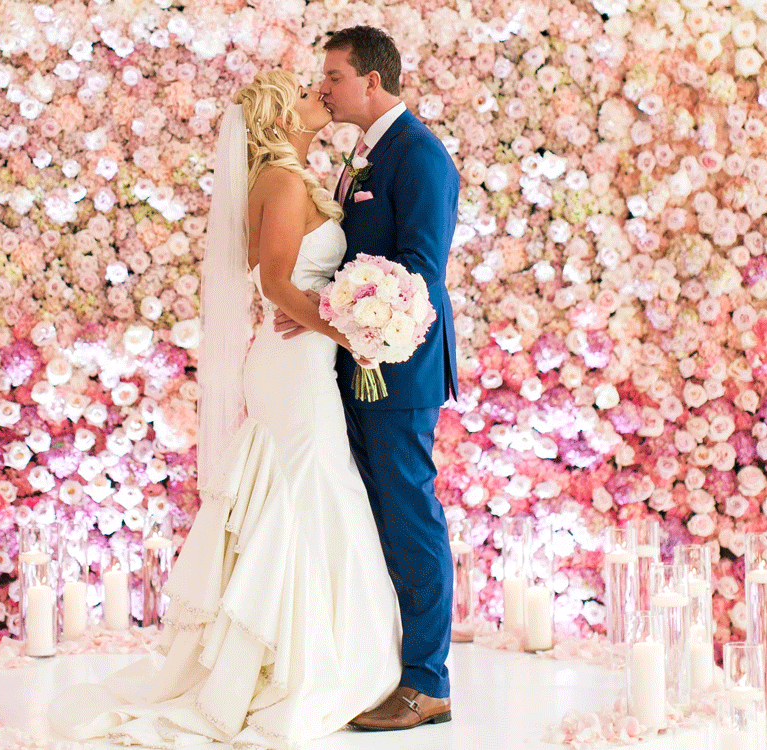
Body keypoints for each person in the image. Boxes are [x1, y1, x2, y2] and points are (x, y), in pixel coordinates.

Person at [49, 70, 401, 748]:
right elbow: (274, 283)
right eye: (304, 94)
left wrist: (342, 317)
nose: (316, 95)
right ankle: (292, 661)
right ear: (278, 120)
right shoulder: (280, 181)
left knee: (316, 485)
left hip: (299, 361)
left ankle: (308, 643)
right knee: (308, 487)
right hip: (290, 364)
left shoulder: (298, 176)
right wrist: (347, 331)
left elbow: (294, 279)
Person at [277, 26, 460, 731]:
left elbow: (420, 273)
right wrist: (319, 307)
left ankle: (427, 682)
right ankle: (384, 665)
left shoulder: (420, 157)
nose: (323, 86)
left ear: (372, 83)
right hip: (359, 358)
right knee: (376, 513)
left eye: (333, 75)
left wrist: (334, 312)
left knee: (411, 517)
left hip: (400, 367)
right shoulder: (364, 150)